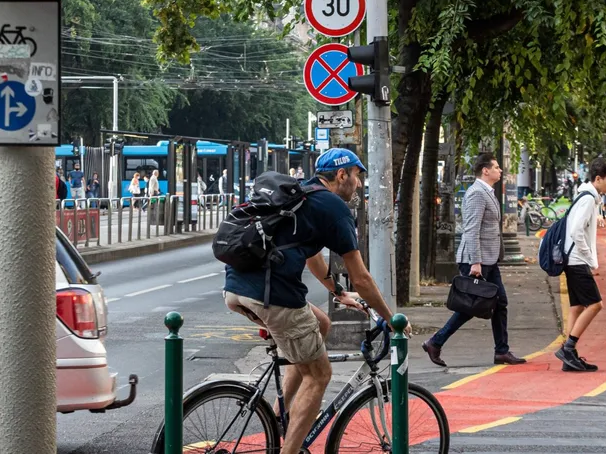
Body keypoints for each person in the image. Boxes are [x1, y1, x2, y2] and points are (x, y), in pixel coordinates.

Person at [222, 149, 402, 454]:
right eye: (357, 176)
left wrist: (338, 293)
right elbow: (362, 278)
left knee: (320, 324)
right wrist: (389, 317)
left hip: (236, 289)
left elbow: (313, 258)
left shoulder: (302, 197)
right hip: (273, 295)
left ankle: (281, 418)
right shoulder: (333, 207)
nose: (359, 184)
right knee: (319, 375)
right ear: (342, 175)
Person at [421, 152, 527, 368]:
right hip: (477, 261)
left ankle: (501, 351)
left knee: (498, 303)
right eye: (496, 167)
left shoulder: (487, 192)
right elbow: (471, 229)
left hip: (488, 260)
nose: (500, 170)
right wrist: (475, 262)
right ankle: (435, 341)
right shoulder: (477, 193)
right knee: (471, 306)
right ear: (485, 171)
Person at [555, 157, 606, 372]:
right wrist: (590, 259)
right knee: (595, 304)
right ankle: (569, 347)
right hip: (577, 261)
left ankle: (568, 357)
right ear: (598, 179)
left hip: (571, 259)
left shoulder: (588, 195)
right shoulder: (588, 199)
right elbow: (576, 231)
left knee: (577, 306)